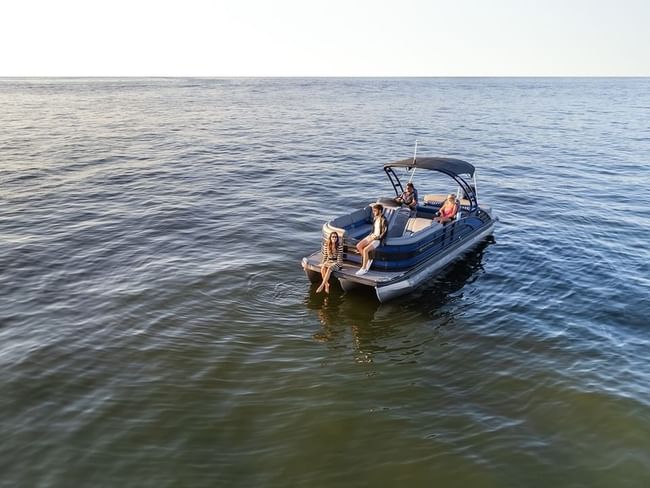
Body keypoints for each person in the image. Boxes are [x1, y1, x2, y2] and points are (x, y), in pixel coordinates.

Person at [355, 204, 387, 276]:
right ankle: (368, 259)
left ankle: (364, 268)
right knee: (358, 246)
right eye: (373, 211)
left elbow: (384, 233)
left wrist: (376, 238)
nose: (373, 212)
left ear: (380, 210)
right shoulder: (375, 218)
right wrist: (370, 236)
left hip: (378, 239)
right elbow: (374, 230)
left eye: (375, 211)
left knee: (366, 250)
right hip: (372, 236)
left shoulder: (384, 220)